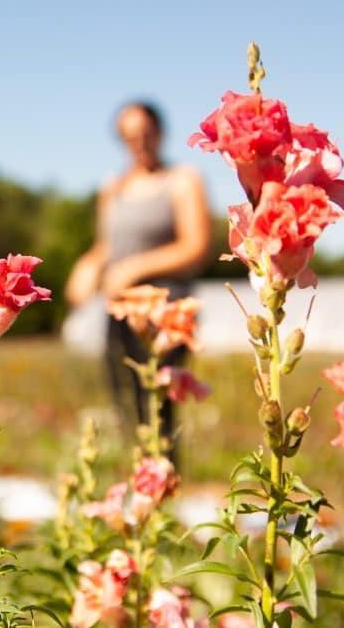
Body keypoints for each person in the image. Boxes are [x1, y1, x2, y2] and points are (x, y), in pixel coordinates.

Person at [65, 101, 210, 451]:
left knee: (158, 407)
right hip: (121, 310)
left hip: (165, 310)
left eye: (145, 133)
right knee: (125, 403)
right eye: (129, 136)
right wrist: (88, 266)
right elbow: (106, 245)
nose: (139, 142)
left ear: (159, 133)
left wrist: (135, 267)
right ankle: (138, 486)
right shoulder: (112, 187)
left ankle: (163, 488)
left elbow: (197, 246)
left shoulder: (181, 180)